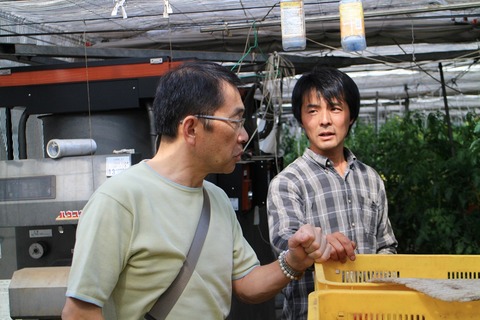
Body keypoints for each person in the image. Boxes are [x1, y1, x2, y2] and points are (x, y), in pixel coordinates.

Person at [61, 61, 332, 320]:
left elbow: (247, 283)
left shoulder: (216, 199)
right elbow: (80, 312)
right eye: (236, 121)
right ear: (191, 128)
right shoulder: (119, 200)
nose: (243, 135)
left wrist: (295, 260)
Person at [267, 66, 398, 320]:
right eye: (313, 111)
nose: (324, 120)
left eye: (335, 108)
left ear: (350, 117)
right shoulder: (288, 182)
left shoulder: (370, 178)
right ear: (301, 119)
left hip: (368, 312)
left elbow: (387, 245)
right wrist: (319, 244)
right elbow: (285, 244)